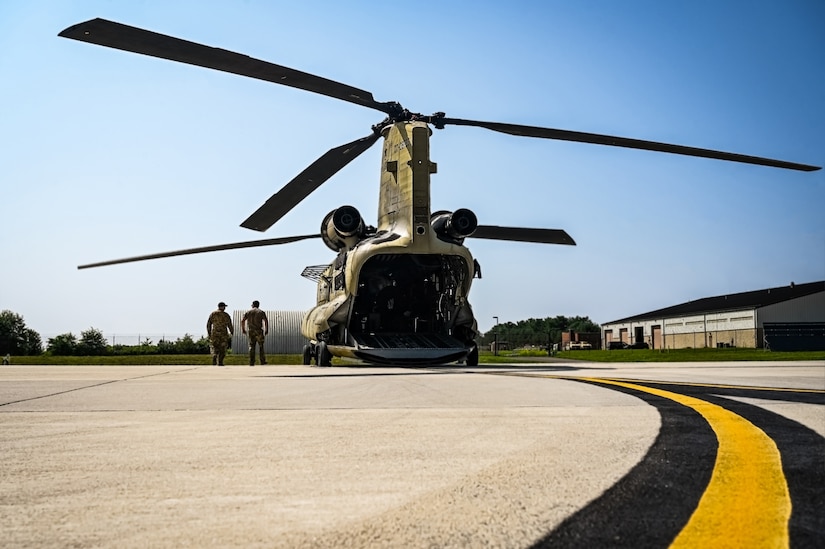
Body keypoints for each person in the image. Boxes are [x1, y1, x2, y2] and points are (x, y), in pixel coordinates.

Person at [241, 300, 269, 366]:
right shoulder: (261, 312)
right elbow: (266, 321)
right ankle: (262, 361)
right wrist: (266, 329)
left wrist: (243, 329)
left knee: (251, 346)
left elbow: (242, 320)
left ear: (253, 305)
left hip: (251, 330)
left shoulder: (248, 312)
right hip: (258, 330)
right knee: (261, 346)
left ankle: (251, 361)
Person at [206, 301, 234, 366]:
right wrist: (232, 332)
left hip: (215, 333)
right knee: (222, 348)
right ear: (222, 307)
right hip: (223, 333)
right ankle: (220, 362)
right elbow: (230, 325)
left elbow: (209, 324)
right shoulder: (226, 315)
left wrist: (209, 333)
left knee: (214, 347)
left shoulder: (213, 314)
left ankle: (214, 357)